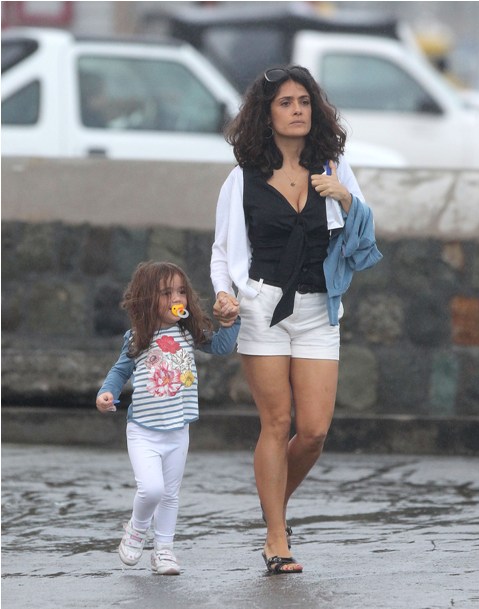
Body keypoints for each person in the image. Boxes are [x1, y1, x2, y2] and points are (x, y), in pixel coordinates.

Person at [210, 65, 382, 574]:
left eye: (304, 101)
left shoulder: (333, 166)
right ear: (266, 114)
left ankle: (273, 508)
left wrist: (345, 198)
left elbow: (364, 234)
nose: (297, 110)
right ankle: (276, 537)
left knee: (313, 431)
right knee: (277, 422)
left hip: (318, 308)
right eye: (285, 103)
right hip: (262, 308)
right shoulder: (242, 177)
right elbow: (223, 251)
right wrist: (224, 294)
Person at [96, 261, 240, 575]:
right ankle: (136, 529)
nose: (176, 298)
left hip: (178, 430)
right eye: (166, 293)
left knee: (170, 494)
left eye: (181, 292)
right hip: (143, 431)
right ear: (147, 300)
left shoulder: (189, 333)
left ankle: (163, 551)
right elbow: (120, 371)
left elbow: (222, 347)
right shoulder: (137, 338)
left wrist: (231, 321)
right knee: (152, 489)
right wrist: (107, 392)